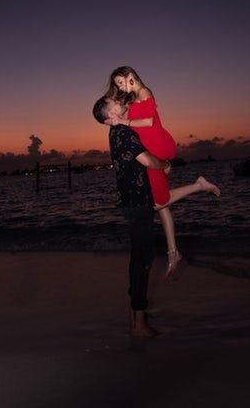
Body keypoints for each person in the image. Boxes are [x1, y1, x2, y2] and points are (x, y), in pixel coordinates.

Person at [93, 94, 221, 337]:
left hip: (133, 200)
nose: (119, 102)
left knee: (139, 255)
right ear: (110, 115)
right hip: (137, 203)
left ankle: (134, 315)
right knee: (142, 261)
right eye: (114, 103)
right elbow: (148, 160)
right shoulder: (123, 133)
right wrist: (165, 165)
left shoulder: (115, 132)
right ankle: (139, 324)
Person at [105, 66, 221, 277]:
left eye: (120, 82)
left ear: (130, 76)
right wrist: (111, 116)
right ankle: (173, 252)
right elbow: (117, 109)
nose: (119, 87)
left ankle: (199, 185)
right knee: (161, 203)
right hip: (149, 148)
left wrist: (122, 121)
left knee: (157, 202)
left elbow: (149, 121)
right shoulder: (130, 99)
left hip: (158, 145)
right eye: (117, 84)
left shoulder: (144, 91)